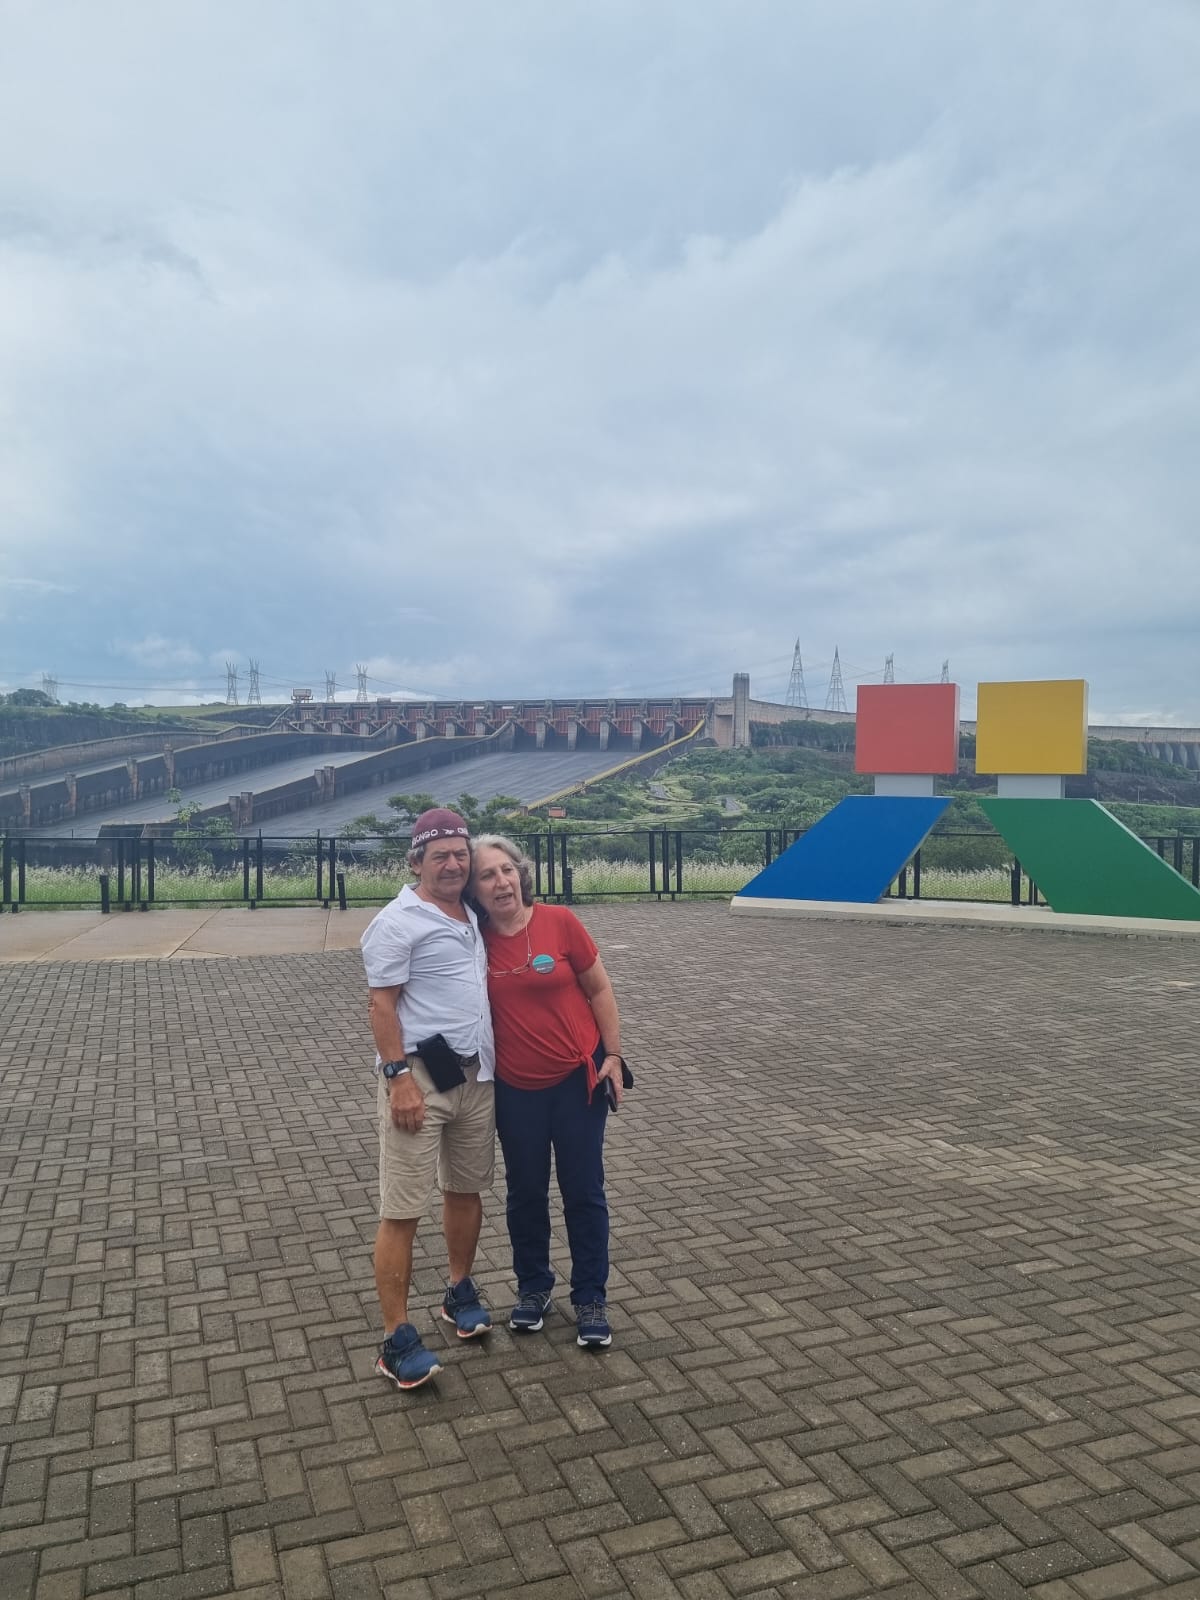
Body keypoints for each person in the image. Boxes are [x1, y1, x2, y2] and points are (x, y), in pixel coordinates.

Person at [469, 833, 627, 1348]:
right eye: (487, 875)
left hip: (577, 1082)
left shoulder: (559, 921)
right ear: (474, 890)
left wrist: (613, 1056)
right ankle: (533, 1288)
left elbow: (599, 988)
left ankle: (590, 1297)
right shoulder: (474, 940)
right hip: (516, 1090)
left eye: (506, 870)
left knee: (584, 1191)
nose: (501, 882)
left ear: (521, 874)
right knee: (526, 1193)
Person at [360, 807, 496, 1390]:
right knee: (402, 1207)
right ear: (416, 861)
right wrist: (398, 1079)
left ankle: (458, 1290)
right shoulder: (397, 922)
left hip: (475, 1075)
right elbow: (381, 1004)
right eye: (439, 856)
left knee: (465, 1189)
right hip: (419, 1078)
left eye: (461, 854)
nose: (452, 864)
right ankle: (395, 1340)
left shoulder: (473, 912)